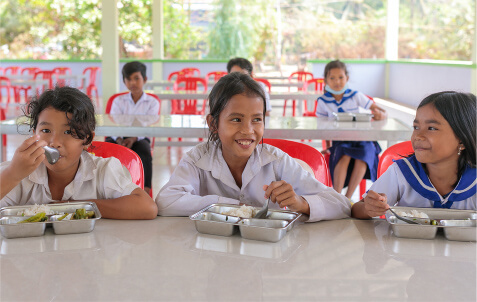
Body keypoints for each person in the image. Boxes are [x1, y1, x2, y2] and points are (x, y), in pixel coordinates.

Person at [156, 72, 351, 221]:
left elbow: (341, 204)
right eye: (236, 119)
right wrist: (232, 206)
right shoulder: (197, 160)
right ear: (214, 124)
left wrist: (301, 203)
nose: (248, 130)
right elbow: (165, 202)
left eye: (257, 119)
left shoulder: (276, 161)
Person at [0, 86, 158, 219]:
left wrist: (70, 207)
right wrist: (13, 174)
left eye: (68, 132)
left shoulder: (103, 171)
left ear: (87, 139)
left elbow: (147, 207)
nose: (54, 142)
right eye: (46, 130)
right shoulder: (17, 172)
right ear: (34, 134)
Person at [352, 91, 476, 219]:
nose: (418, 136)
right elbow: (356, 209)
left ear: (461, 140)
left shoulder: (474, 179)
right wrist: (369, 208)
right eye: (416, 127)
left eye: (431, 128)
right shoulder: (402, 172)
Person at [315, 59, 386, 199]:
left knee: (364, 155)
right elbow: (322, 127)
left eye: (341, 77)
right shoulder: (323, 101)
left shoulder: (355, 95)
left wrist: (381, 114)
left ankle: (347, 198)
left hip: (362, 139)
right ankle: (336, 196)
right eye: (332, 78)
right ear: (326, 80)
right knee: (344, 154)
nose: (337, 82)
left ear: (347, 78)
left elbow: (379, 110)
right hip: (340, 140)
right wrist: (328, 146)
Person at [105, 61, 160, 194]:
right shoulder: (118, 101)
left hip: (139, 137)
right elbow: (113, 123)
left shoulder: (152, 102)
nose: (133, 83)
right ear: (124, 82)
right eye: (128, 79)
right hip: (118, 135)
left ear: (145, 79)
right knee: (107, 149)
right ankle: (107, 189)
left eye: (136, 78)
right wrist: (119, 139)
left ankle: (145, 191)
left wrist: (133, 139)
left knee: (144, 151)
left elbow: (148, 126)